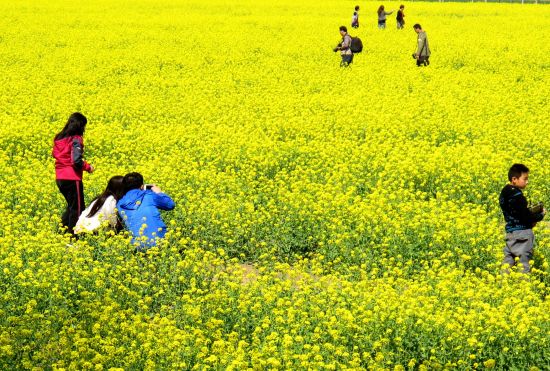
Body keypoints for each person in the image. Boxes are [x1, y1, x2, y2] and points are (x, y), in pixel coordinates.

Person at [52, 112, 94, 235]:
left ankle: (62, 231)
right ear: (80, 126)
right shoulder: (76, 139)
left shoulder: (59, 138)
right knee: (78, 208)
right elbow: (76, 160)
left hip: (60, 178)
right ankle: (73, 236)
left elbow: (55, 154)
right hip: (72, 178)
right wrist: (88, 167)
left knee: (71, 206)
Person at [499, 164, 546, 273]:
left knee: (508, 262)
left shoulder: (504, 193)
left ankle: (502, 285)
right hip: (523, 234)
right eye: (525, 179)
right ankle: (523, 284)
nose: (527, 182)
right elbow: (525, 216)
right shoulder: (517, 195)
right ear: (514, 179)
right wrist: (540, 215)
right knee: (524, 264)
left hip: (510, 233)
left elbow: (516, 213)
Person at [117, 172, 175, 249]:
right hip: (160, 241)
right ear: (141, 186)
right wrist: (159, 192)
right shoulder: (148, 195)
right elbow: (170, 205)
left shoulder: (119, 204)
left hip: (137, 244)